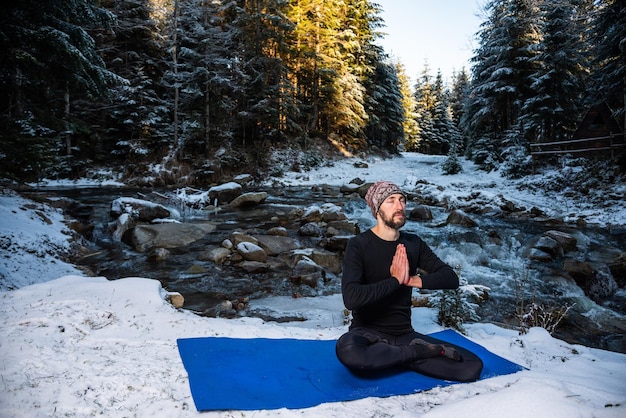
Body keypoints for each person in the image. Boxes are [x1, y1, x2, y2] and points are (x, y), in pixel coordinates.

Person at [335, 180, 483, 382]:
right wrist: (395, 280)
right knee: (349, 351)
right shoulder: (359, 245)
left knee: (471, 367)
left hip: (403, 335)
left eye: (402, 200)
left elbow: (451, 278)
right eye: (391, 201)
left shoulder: (413, 243)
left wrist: (413, 280)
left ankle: (397, 355)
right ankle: (419, 353)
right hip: (366, 334)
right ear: (377, 210)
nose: (400, 206)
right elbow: (351, 298)